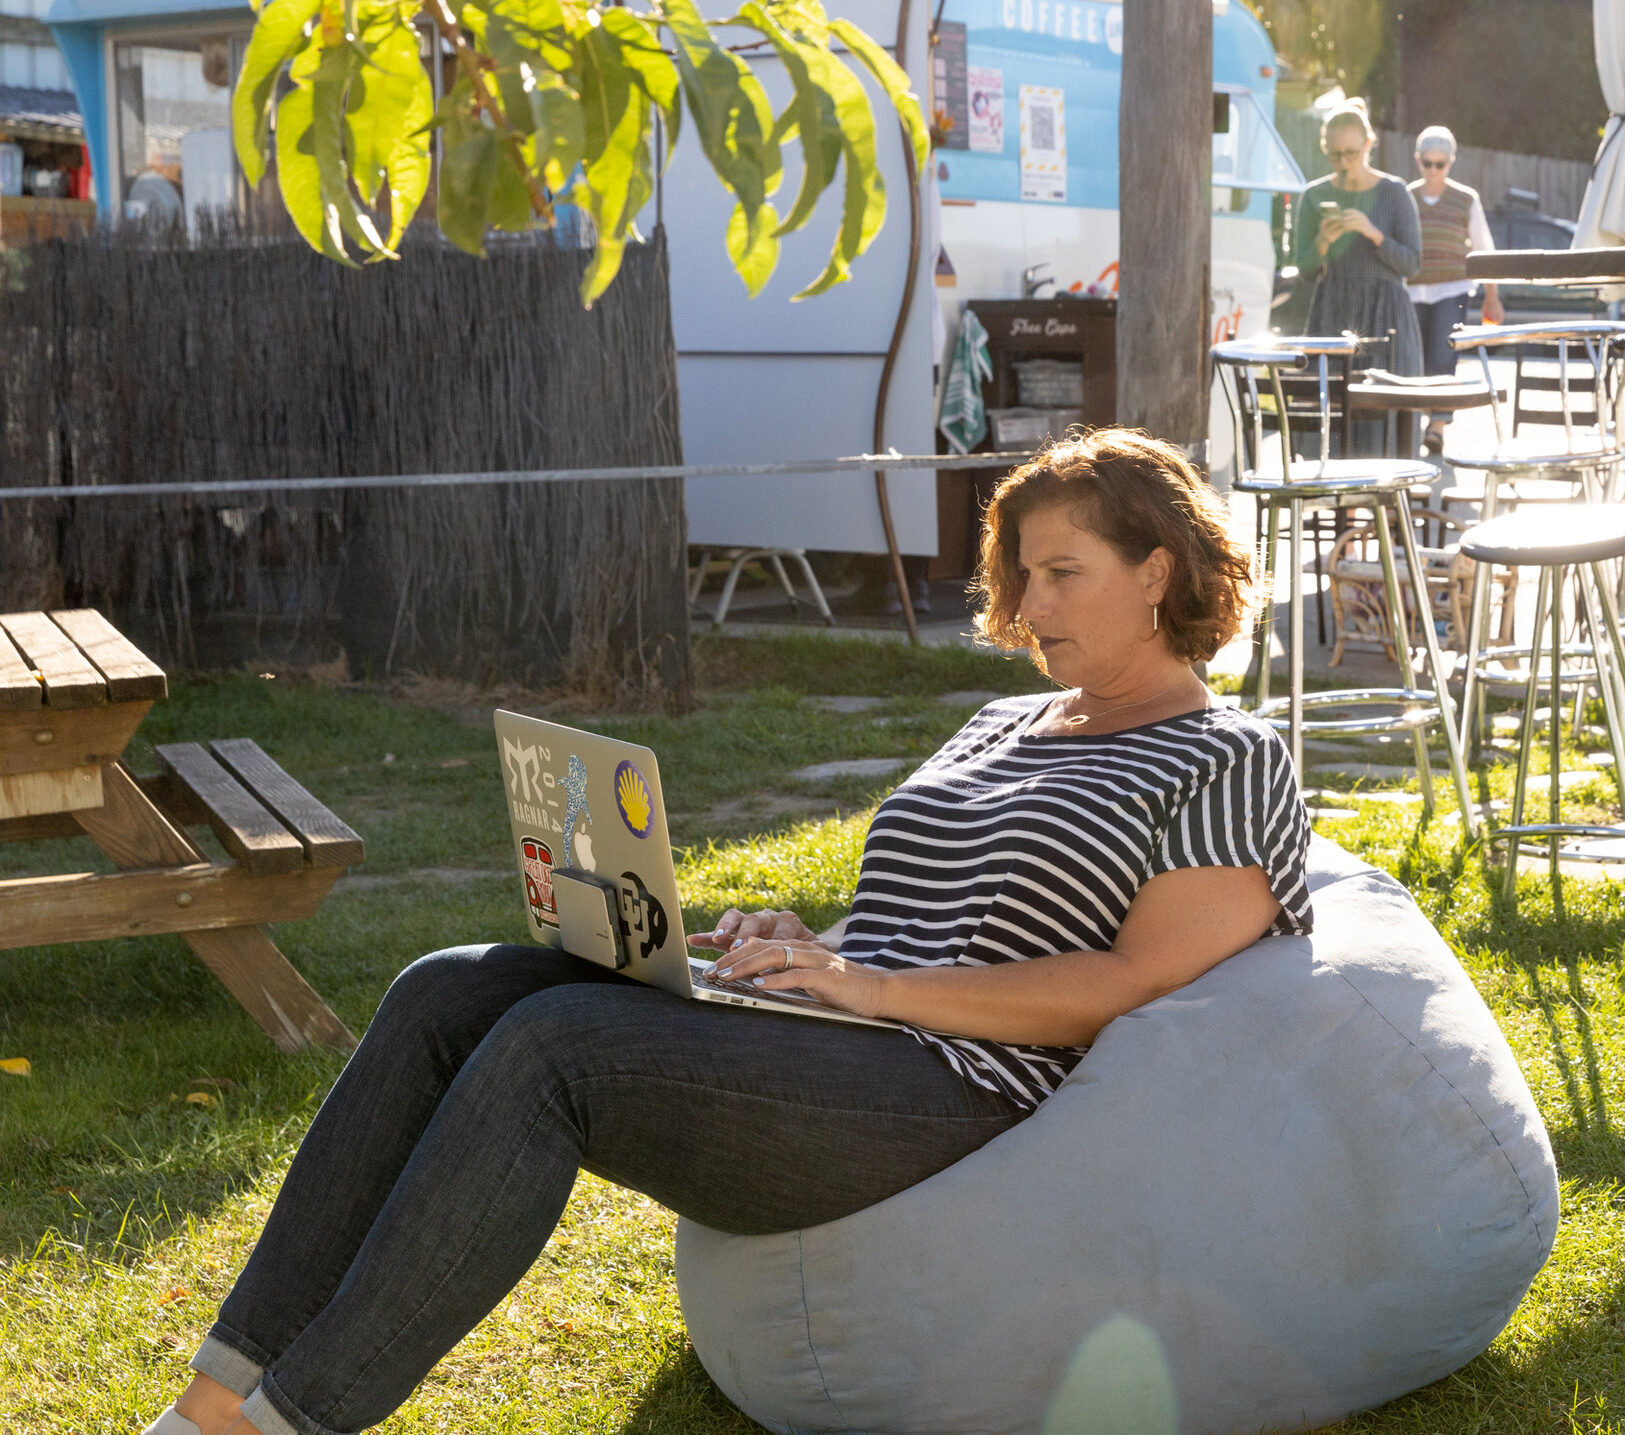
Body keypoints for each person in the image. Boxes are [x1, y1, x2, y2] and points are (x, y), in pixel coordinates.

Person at [150, 429, 1313, 1435]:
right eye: (1022, 572)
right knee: (448, 985)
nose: (1031, 605)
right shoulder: (1001, 721)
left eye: (1063, 572)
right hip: (848, 1030)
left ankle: (295, 1418)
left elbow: (1133, 979)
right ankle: (216, 1394)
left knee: (558, 1048)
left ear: (1158, 570)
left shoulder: (1227, 756)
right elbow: (932, 909)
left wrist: (873, 988)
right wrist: (801, 944)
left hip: (958, 1086)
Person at [1289, 99, 1424, 375]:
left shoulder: (1394, 193)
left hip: (1386, 313)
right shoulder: (1315, 195)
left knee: (1384, 408)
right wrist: (1323, 242)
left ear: (1368, 144)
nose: (1343, 161)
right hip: (1333, 310)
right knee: (1329, 406)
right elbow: (1304, 269)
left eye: (1351, 152)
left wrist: (1373, 234)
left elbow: (1412, 264)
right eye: (1335, 154)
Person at [1405, 125, 1505, 379]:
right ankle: (1415, 416)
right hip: (1411, 291)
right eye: (1427, 163)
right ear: (1418, 160)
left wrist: (1491, 297)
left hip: (1452, 290)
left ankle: (1439, 417)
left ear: (1450, 162)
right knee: (1412, 358)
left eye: (1440, 164)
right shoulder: (1405, 197)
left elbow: (1484, 250)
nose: (1433, 170)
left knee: (1443, 356)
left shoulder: (1466, 199)